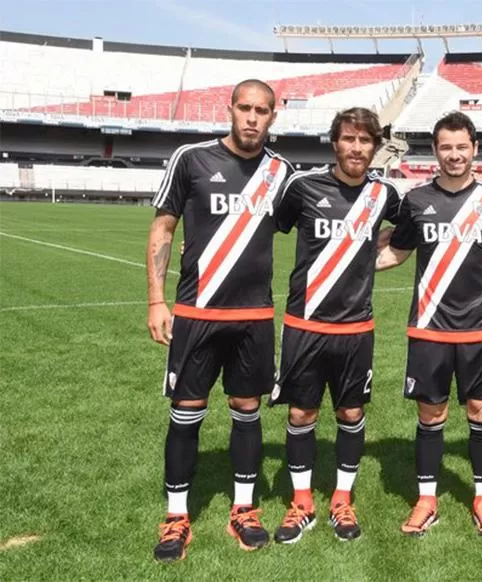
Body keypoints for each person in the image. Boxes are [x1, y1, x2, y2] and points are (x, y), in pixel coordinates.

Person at [145, 79, 292, 562]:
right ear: (230, 109)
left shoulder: (282, 172)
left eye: (262, 111)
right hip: (196, 312)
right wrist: (155, 300)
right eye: (245, 108)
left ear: (274, 116)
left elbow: (312, 217)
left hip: (254, 317)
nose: (252, 117)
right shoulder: (191, 158)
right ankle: (176, 517)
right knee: (186, 411)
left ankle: (244, 510)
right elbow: (164, 227)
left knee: (247, 410)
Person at [376, 111, 482, 537]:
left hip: (480, 328)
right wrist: (349, 264)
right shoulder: (416, 201)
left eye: (462, 147)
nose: (455, 155)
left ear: (474, 149)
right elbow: (396, 254)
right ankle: (427, 500)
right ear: (435, 150)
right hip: (429, 327)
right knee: (431, 412)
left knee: (481, 411)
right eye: (447, 147)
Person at [269, 107, 402, 543]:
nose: (357, 148)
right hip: (305, 323)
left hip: (355, 328)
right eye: (349, 139)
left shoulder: (385, 195)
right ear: (335, 142)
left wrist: (369, 255)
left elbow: (411, 232)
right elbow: (268, 229)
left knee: (351, 412)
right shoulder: (301, 187)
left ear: (375, 147)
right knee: (301, 411)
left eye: (366, 141)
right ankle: (302, 502)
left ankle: (343, 500)